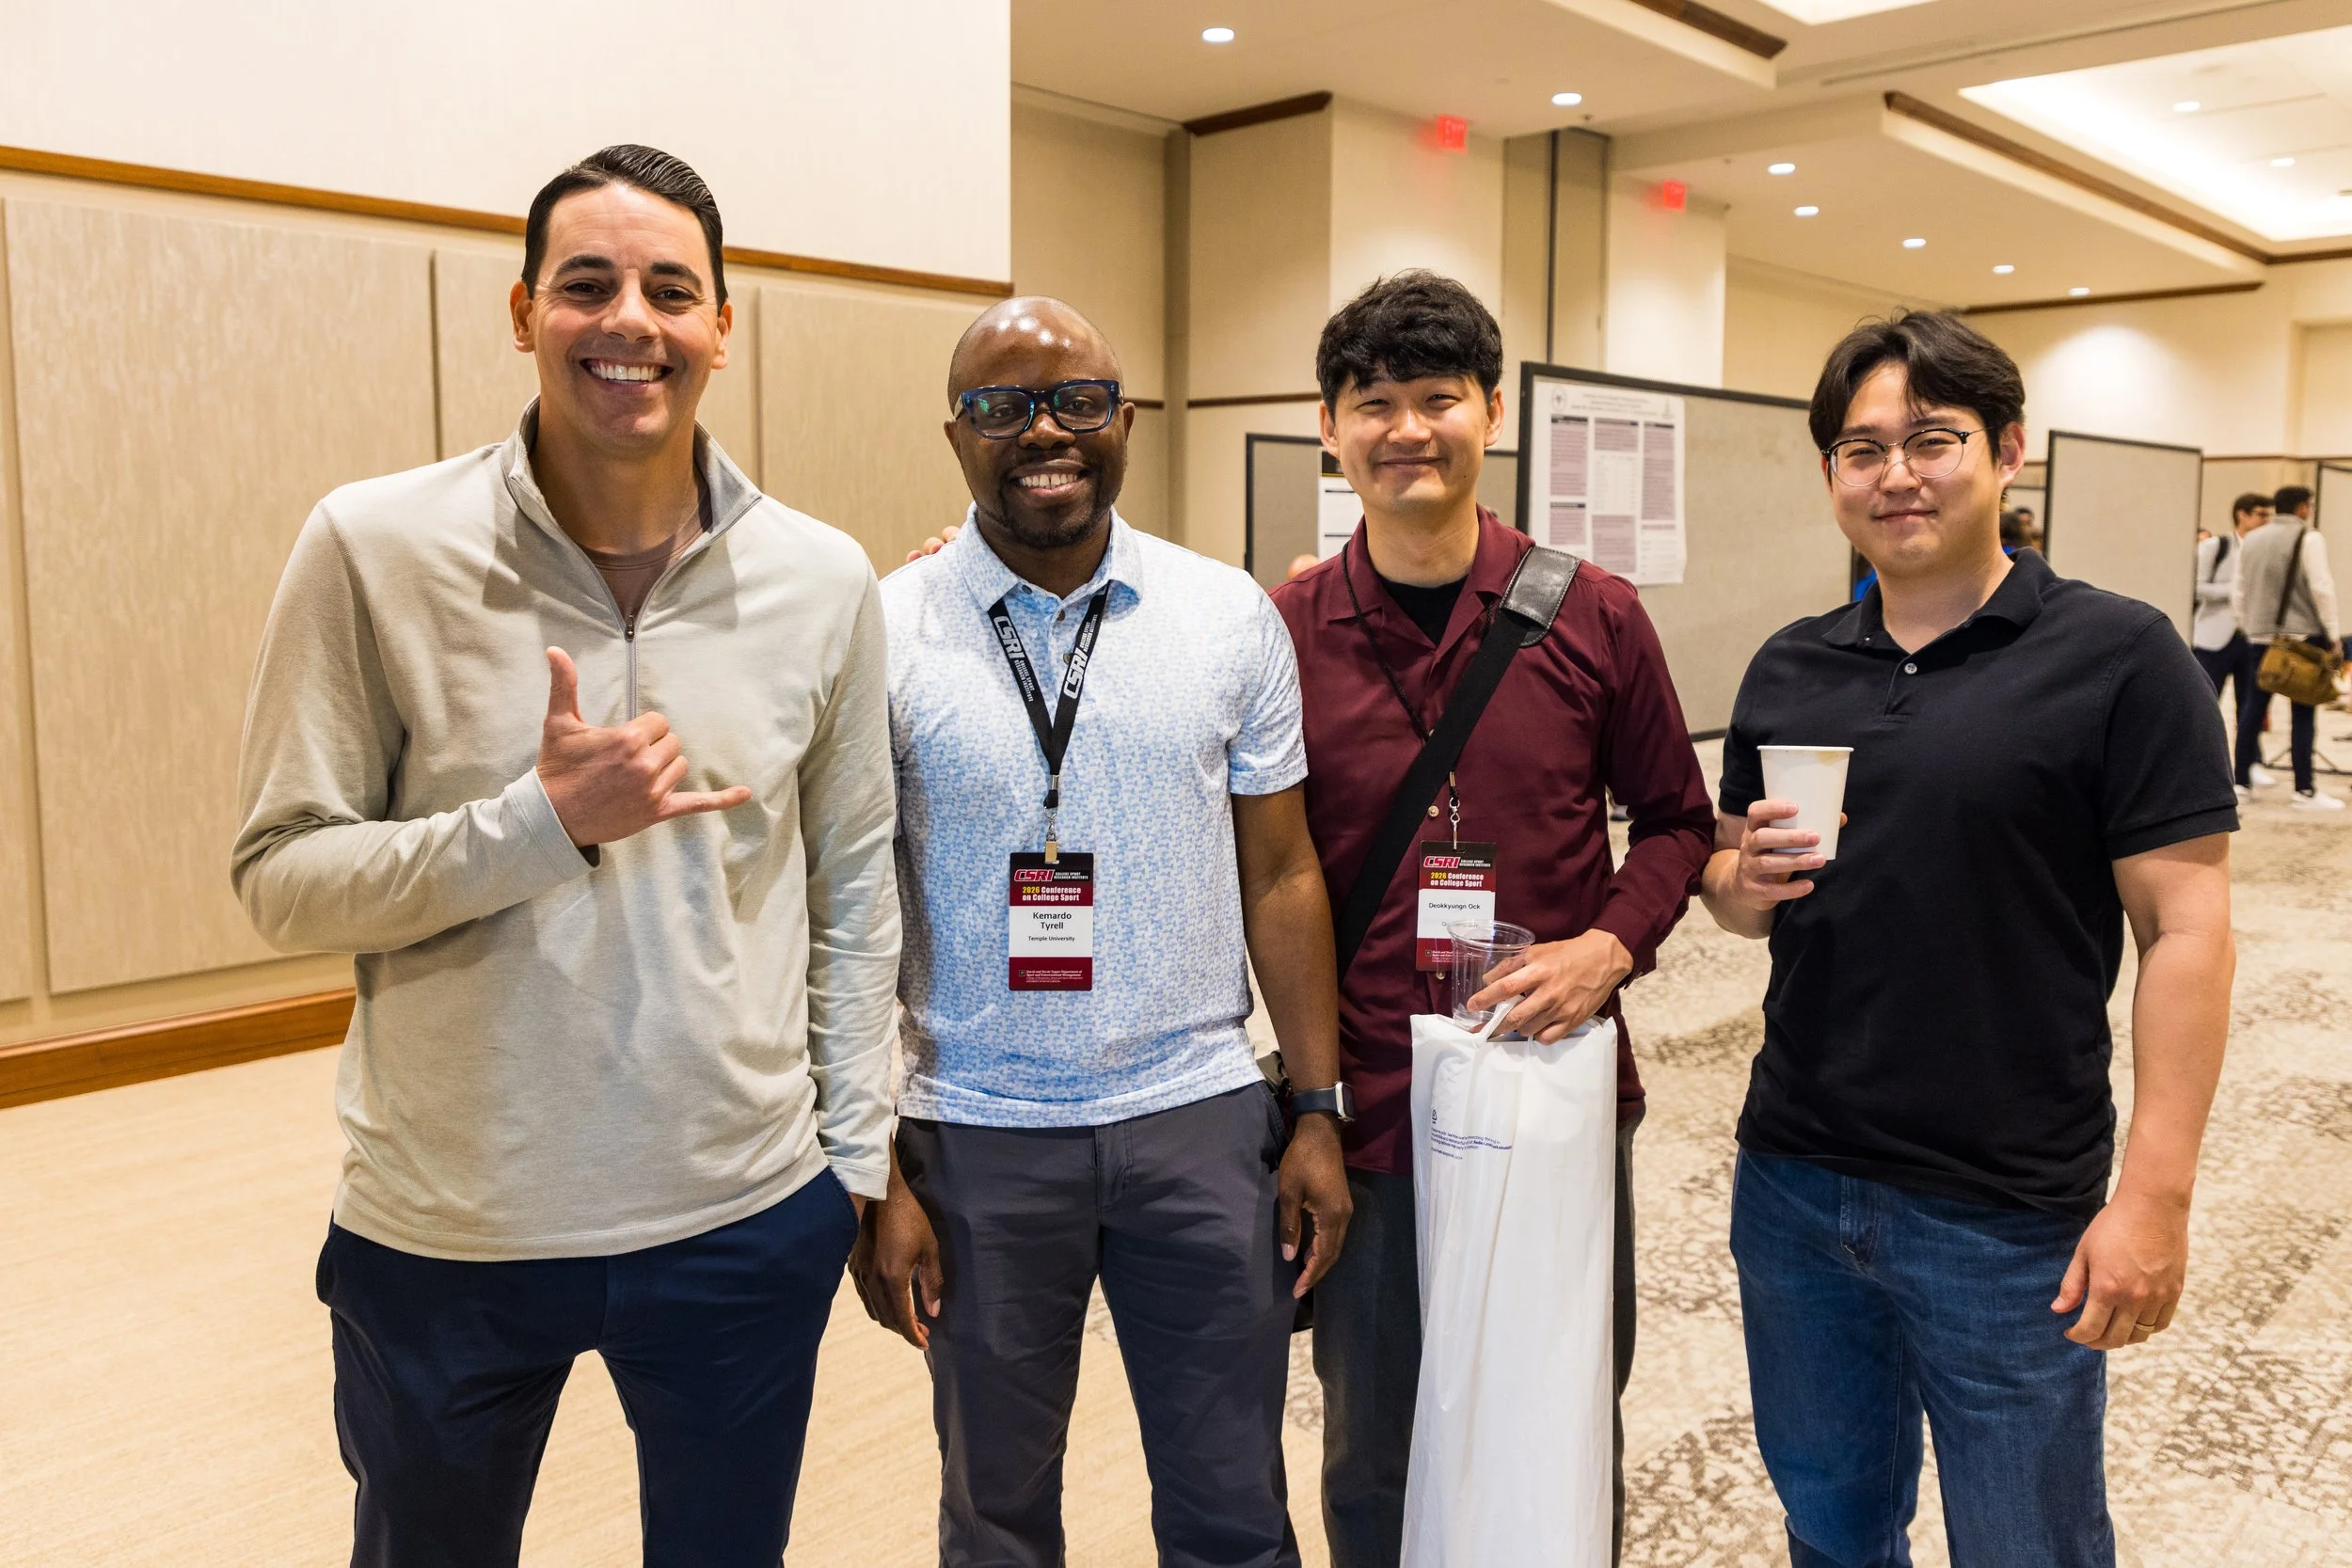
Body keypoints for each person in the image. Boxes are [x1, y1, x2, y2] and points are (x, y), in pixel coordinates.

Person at [231, 146, 899, 1568]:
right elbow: (281, 872)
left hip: (739, 1214)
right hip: (447, 1229)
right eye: (587, 284)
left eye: (672, 288)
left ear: (726, 324)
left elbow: (853, 882)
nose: (630, 321)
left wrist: (848, 1155)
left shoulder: (822, 576)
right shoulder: (373, 544)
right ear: (523, 309)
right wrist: (534, 826)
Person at [1702, 310, 2237, 1567]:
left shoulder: (2115, 655)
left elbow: (2188, 931)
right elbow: (1730, 883)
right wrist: (1742, 877)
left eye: (1931, 439)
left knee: (2028, 1541)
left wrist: (2154, 1197)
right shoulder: (1794, 664)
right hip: (1795, 1178)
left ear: (2008, 451)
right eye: (1860, 447)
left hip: (2007, 1207)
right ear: (1830, 472)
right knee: (1831, 1523)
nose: (1896, 473)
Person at [851, 296, 1353, 1567]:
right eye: (1001, 405)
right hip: (972, 1126)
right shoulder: (882, 627)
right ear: (955, 434)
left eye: (1076, 398)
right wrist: (873, 1165)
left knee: (1233, 1495)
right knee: (995, 1510)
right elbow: (844, 907)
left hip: (1194, 1115)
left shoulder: (1225, 613)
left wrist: (1314, 1104)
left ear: (1125, 417)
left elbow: (1283, 869)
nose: (1044, 430)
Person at [1268, 271, 1715, 1568]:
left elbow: (1680, 818)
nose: (1409, 429)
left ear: (1493, 412)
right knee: (1374, 1437)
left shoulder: (1595, 611)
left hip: (1553, 1089)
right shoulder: (1285, 625)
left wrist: (1613, 942)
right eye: (1376, 404)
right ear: (1330, 427)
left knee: (1561, 1412)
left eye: (1439, 399)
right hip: (1374, 1105)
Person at [2232, 485, 2344, 808]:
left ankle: (2240, 782)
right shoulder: (2309, 538)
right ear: (2302, 508)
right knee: (2304, 711)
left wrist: (2248, 624)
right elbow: (2322, 587)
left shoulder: (2252, 539)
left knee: (2252, 709)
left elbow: (2238, 589)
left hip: (2258, 637)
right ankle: (2304, 789)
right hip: (2300, 638)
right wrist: (2334, 634)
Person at [2196, 496, 2274, 792]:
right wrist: (2237, 590)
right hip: (2214, 636)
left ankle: (2251, 763)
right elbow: (2197, 587)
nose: (2266, 520)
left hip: (2252, 636)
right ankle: (2200, 765)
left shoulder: (2266, 549)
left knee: (2251, 705)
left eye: (2269, 514)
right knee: (2206, 703)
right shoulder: (2215, 547)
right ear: (2241, 515)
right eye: (2260, 514)